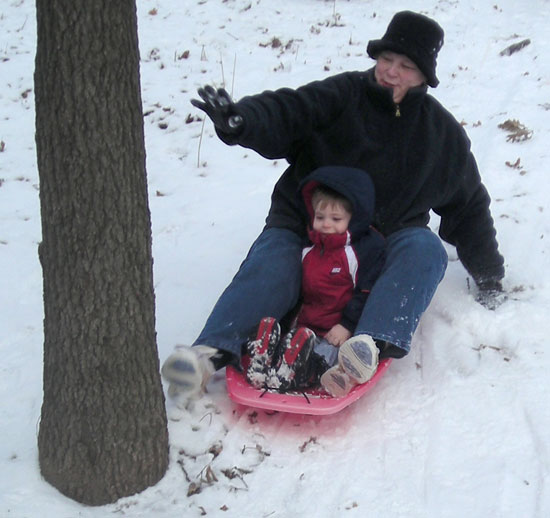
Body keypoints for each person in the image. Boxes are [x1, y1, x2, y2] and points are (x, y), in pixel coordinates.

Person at [161, 11, 505, 403]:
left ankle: (366, 346)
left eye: (406, 66)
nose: (392, 72)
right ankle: (206, 355)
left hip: (379, 243)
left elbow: (469, 206)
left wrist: (489, 275)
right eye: (387, 59)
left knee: (424, 250)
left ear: (424, 75)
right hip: (308, 227)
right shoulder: (341, 96)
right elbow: (288, 111)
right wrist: (243, 122)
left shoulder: (439, 134)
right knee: (273, 265)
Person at [244, 166, 386, 396]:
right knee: (291, 340)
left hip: (334, 331)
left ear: (354, 219)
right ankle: (264, 361)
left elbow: (366, 292)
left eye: (336, 218)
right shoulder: (308, 248)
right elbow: (297, 291)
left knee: (323, 357)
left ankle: (294, 371)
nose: (326, 224)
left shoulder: (360, 252)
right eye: (320, 217)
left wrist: (347, 325)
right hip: (304, 328)